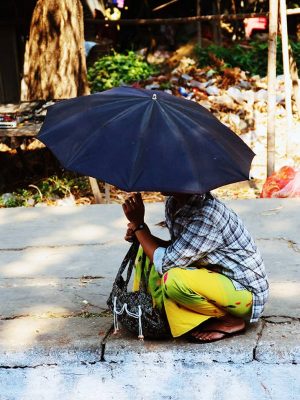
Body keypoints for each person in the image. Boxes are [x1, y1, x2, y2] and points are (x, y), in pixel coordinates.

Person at [122, 192, 269, 342]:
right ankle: (154, 310)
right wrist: (140, 235)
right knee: (145, 251)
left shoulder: (207, 215)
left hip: (243, 292)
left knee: (173, 280)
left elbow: (166, 263)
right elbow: (178, 251)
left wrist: (139, 226)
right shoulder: (174, 202)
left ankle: (230, 321)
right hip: (213, 278)